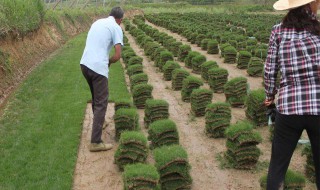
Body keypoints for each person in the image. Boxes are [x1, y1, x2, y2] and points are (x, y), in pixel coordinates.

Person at [264, 0, 320, 189]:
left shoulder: (278, 31)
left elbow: (270, 68)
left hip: (289, 108)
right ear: (311, 4)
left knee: (277, 166)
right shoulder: (319, 30)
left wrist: (269, 96)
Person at [80, 7, 124, 152]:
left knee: (95, 97)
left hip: (85, 64)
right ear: (120, 20)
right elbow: (118, 55)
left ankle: (101, 122)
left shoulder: (98, 22)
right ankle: (95, 142)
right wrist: (109, 62)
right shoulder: (116, 27)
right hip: (98, 67)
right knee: (102, 102)